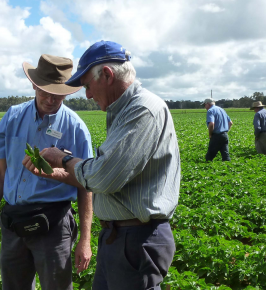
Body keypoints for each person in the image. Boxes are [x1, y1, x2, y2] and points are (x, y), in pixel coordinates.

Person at [23, 41, 180, 290]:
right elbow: (100, 173)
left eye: (87, 86)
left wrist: (62, 158)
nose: (87, 95)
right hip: (118, 236)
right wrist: (57, 172)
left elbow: (103, 177)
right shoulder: (122, 110)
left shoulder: (142, 110)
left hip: (137, 239)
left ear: (106, 75)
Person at [0, 54, 94, 290]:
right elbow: (0, 172)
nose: (51, 99)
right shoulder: (13, 117)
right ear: (34, 85)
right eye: (44, 91)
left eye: (58, 93)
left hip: (54, 226)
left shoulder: (75, 127)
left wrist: (85, 240)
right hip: (14, 223)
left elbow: (86, 184)